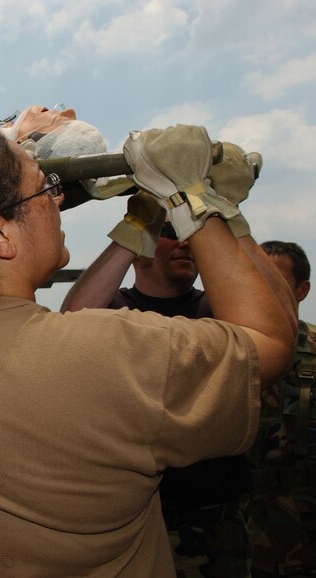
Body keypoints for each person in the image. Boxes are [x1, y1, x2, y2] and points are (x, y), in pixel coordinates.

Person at [0, 124, 296, 576]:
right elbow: (272, 342)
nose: (59, 199)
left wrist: (137, 224)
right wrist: (200, 200)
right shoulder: (111, 354)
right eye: (43, 188)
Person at [61, 153, 261, 575]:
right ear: (143, 250)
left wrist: (230, 218)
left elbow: (269, 327)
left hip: (212, 513)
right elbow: (73, 317)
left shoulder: (216, 309)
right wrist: (137, 227)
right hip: (133, 512)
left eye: (192, 232)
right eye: (169, 233)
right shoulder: (116, 307)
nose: (186, 242)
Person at [246, 240, 316, 576]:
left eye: (276, 279)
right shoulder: (231, 346)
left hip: (304, 512)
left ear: (302, 291)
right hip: (241, 514)